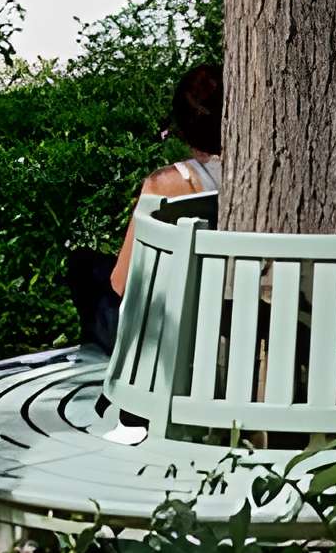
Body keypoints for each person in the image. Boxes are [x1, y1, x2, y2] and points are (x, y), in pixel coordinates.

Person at [66, 64, 223, 353]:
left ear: (184, 127)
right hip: (224, 326)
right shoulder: (262, 178)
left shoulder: (166, 185)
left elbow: (122, 283)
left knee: (82, 265)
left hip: (160, 341)